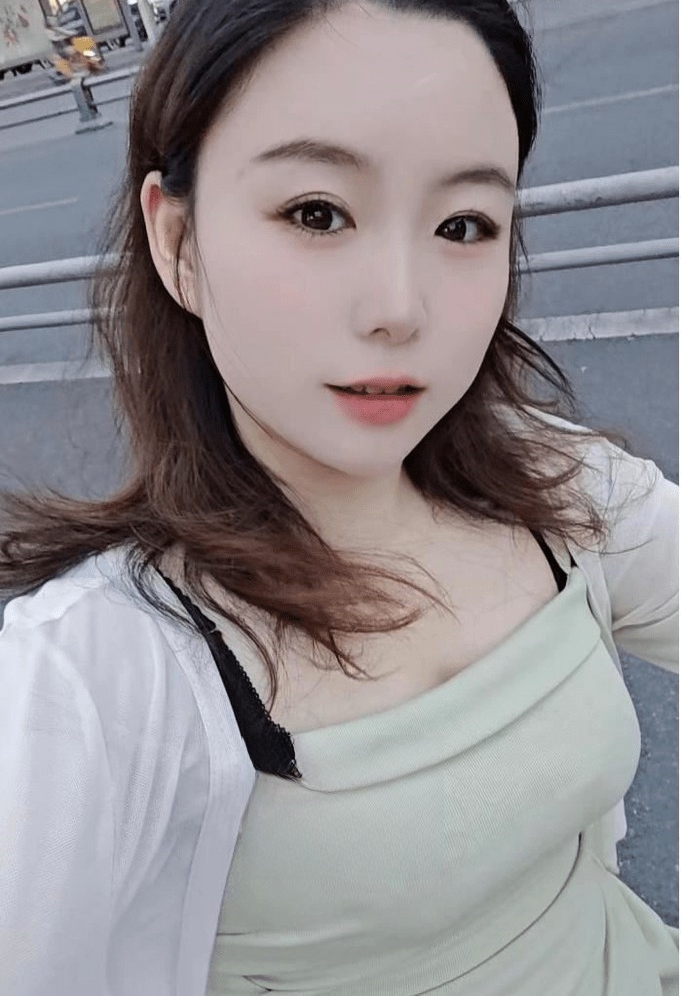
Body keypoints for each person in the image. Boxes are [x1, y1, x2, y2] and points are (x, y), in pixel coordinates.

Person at [0, 0, 678, 993]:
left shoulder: (559, 487)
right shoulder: (95, 681)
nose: (400, 308)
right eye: (316, 213)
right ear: (178, 240)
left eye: (462, 224)